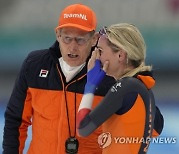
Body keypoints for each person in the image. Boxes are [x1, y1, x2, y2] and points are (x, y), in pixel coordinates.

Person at [2, 4, 115, 154]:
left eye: (80, 40)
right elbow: (16, 120)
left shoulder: (109, 74)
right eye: (67, 38)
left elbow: (137, 126)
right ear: (58, 35)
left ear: (94, 39)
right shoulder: (35, 64)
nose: (72, 47)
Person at [77, 23, 164, 154]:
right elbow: (156, 129)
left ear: (120, 55)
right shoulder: (143, 88)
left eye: (100, 51)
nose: (97, 58)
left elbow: (83, 128)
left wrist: (90, 85)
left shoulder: (125, 87)